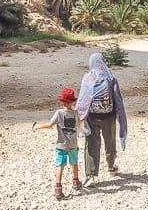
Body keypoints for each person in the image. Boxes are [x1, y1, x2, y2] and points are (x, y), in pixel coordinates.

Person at [76, 52, 127, 187]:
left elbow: (83, 97)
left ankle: (91, 175)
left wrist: (81, 116)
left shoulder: (88, 77)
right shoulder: (110, 77)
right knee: (109, 141)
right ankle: (111, 166)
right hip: (108, 116)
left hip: (92, 116)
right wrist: (120, 113)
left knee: (92, 144)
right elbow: (117, 97)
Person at [33, 87, 82, 200]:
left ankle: (58, 189)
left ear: (62, 101)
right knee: (74, 163)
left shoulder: (59, 113)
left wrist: (38, 126)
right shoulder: (75, 113)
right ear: (73, 102)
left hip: (61, 145)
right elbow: (79, 125)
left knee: (60, 166)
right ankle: (75, 181)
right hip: (73, 144)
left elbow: (50, 124)